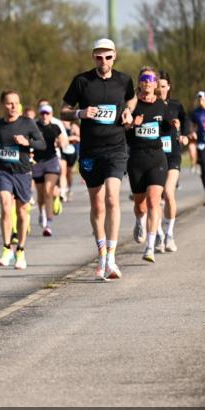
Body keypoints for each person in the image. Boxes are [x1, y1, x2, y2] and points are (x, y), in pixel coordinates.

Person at [61, 38, 135, 280]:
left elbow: (132, 98)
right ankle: (102, 254)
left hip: (116, 148)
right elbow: (63, 110)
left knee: (113, 197)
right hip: (90, 151)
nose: (103, 61)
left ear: (115, 56)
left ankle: (112, 258)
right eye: (98, 57)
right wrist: (80, 113)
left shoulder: (124, 80)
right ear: (93, 57)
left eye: (108, 57)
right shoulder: (82, 81)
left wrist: (128, 111)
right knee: (98, 204)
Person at [0, 91, 45, 270]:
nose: (13, 106)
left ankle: (20, 250)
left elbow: (42, 144)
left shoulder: (27, 123)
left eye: (16, 103)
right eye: (9, 103)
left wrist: (27, 142)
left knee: (22, 211)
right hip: (3, 171)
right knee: (6, 206)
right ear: (2, 105)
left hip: (23, 172)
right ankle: (6, 248)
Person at [124, 67, 168, 262]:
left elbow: (168, 126)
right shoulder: (132, 105)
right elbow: (123, 128)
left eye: (151, 78)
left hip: (157, 158)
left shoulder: (161, 105)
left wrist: (174, 127)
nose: (148, 82)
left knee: (153, 201)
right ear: (139, 82)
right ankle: (139, 221)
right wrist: (133, 124)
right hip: (136, 159)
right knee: (140, 205)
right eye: (144, 78)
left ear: (156, 83)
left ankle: (150, 247)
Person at [157, 71, 187, 252]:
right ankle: (159, 234)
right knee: (156, 198)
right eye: (157, 86)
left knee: (168, 193)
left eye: (163, 86)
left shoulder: (176, 105)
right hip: (155, 154)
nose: (160, 89)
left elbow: (186, 120)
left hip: (173, 153)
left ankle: (169, 234)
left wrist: (184, 134)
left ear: (168, 87)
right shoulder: (150, 105)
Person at [32, 104, 67, 236]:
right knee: (40, 194)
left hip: (51, 161)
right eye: (42, 113)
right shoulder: (34, 126)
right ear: (39, 114)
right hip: (37, 162)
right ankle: (42, 212)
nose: (45, 116)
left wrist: (61, 143)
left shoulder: (55, 127)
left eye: (47, 113)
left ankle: (48, 224)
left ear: (51, 114)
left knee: (48, 190)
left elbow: (63, 139)